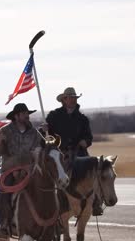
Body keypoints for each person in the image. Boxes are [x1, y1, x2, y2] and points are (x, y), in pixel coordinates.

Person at [43, 86, 104, 216]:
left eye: (74, 98)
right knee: (59, 174)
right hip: (60, 152)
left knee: (94, 168)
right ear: (64, 100)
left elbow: (89, 137)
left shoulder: (82, 118)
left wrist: (85, 142)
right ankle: (60, 203)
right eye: (70, 98)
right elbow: (47, 135)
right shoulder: (54, 116)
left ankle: (96, 203)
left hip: (79, 152)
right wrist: (44, 129)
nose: (73, 100)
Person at [0, 103, 42, 238]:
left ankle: (54, 222)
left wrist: (46, 134)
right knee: (2, 193)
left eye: (27, 114)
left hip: (29, 169)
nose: (27, 116)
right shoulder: (4, 131)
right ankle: (3, 225)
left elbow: (42, 147)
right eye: (24, 113)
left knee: (47, 187)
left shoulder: (34, 132)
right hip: (9, 169)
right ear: (16, 116)